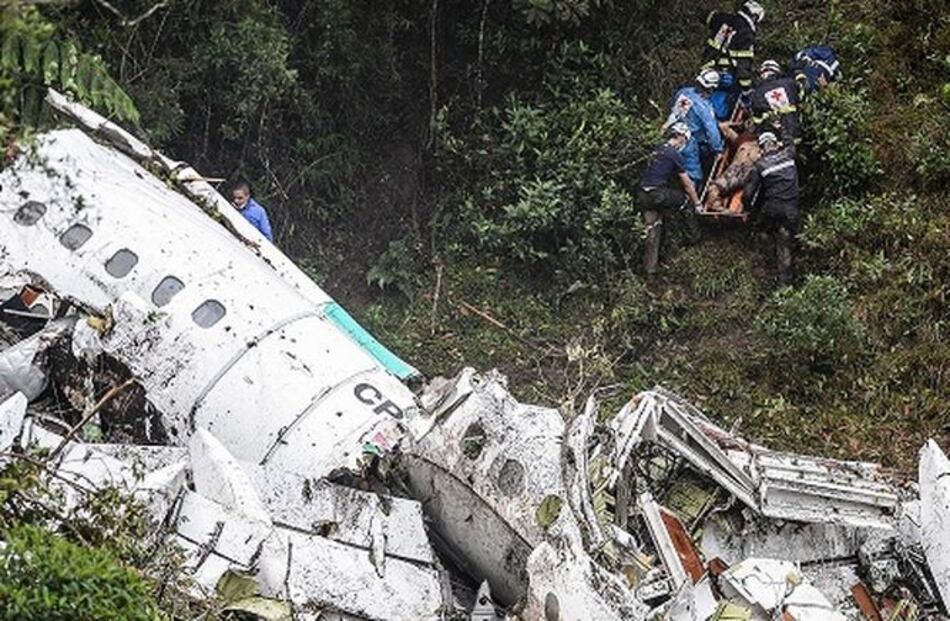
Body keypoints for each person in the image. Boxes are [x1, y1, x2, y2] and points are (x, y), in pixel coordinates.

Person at [637, 122, 703, 277]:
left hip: (642, 195)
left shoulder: (655, 148)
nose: (683, 144)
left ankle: (650, 272)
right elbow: (687, 184)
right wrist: (697, 203)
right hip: (657, 194)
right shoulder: (673, 154)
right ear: (680, 137)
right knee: (685, 201)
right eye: (684, 140)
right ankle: (693, 239)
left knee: (653, 229)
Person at [743, 132, 799, 284]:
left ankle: (768, 260)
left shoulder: (760, 166)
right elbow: (791, 143)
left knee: (763, 229)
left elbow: (748, 194)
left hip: (772, 209)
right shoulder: (789, 155)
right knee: (785, 240)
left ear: (761, 149)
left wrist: (748, 209)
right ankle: (785, 283)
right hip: (791, 209)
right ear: (776, 144)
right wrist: (782, 130)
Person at [663, 69, 725, 187]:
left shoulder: (683, 92)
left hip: (672, 134)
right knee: (694, 174)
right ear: (711, 88)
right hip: (690, 142)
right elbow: (712, 131)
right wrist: (718, 150)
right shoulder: (703, 106)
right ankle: (691, 199)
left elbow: (675, 112)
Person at [702, 1, 766, 91]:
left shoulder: (722, 18)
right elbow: (743, 65)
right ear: (754, 16)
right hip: (726, 76)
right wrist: (746, 88)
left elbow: (705, 16)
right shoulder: (747, 34)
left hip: (705, 67)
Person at [704, 121, 762, 212]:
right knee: (713, 188)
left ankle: (748, 210)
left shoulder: (762, 145)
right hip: (735, 170)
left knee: (750, 193)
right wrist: (738, 124)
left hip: (750, 173)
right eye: (748, 124)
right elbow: (722, 126)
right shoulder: (741, 139)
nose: (750, 126)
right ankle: (719, 208)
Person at [749, 59, 804, 144]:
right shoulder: (789, 83)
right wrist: (799, 74)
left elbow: (757, 121)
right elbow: (803, 91)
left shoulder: (757, 93)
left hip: (775, 139)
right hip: (796, 133)